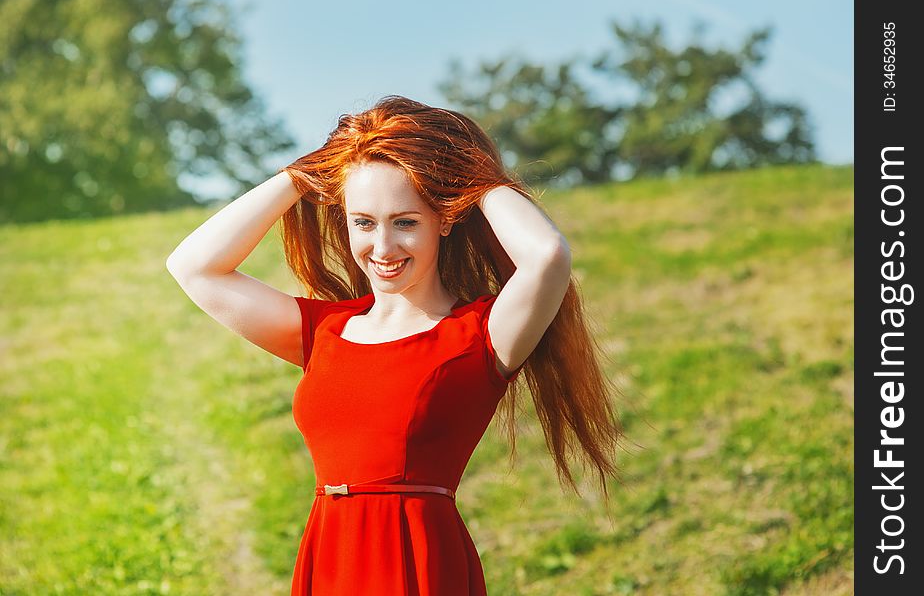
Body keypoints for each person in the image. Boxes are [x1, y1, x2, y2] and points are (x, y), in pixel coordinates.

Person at [166, 95, 624, 595]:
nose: (382, 248)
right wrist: (308, 173)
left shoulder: (482, 334)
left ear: (443, 220)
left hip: (417, 565)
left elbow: (547, 253)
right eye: (363, 221)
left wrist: (470, 179)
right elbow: (194, 266)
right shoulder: (324, 332)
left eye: (405, 222)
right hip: (328, 560)